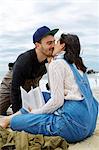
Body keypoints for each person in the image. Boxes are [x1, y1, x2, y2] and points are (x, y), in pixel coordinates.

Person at [1, 34, 98, 143]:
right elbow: (57, 91)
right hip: (89, 124)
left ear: (62, 46)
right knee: (41, 95)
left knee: (17, 122)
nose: (53, 46)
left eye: (56, 42)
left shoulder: (57, 64)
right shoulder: (78, 64)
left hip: (72, 126)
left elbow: (57, 101)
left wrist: (35, 113)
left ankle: (10, 119)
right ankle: (9, 118)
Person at [0, 26, 59, 114]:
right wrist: (17, 116)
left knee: (35, 110)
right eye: (49, 43)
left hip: (32, 85)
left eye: (54, 42)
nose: (53, 46)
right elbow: (15, 90)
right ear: (37, 45)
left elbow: (52, 85)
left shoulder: (50, 59)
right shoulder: (24, 61)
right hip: (11, 85)